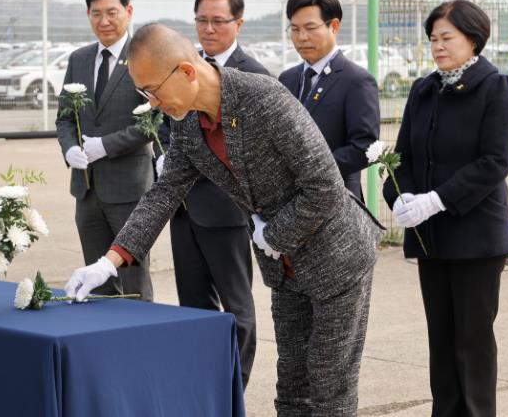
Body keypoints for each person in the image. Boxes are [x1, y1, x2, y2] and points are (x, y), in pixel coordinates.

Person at [65, 23, 383, 416]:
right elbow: (164, 193)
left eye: (153, 91)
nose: (153, 104)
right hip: (285, 266)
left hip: (335, 255)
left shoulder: (262, 98)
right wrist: (108, 262)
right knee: (292, 384)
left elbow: (325, 187)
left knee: (329, 385)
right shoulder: (188, 121)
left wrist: (275, 234)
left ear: (185, 71)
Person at [383, 0, 508, 417]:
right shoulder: (424, 90)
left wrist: (437, 199)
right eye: (432, 39)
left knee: (472, 342)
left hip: (476, 238)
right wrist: (400, 196)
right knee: (441, 340)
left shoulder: (496, 87)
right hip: (433, 239)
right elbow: (403, 157)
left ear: (473, 39)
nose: (438, 46)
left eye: (447, 38)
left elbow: (495, 162)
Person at [154, 0, 269, 388]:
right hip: (184, 209)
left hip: (225, 210)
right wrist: (163, 156)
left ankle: (234, 388)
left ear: (238, 23)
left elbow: (252, 152)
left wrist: (188, 164)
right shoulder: (183, 68)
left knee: (237, 309)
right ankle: (202, 388)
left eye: (218, 20)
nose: (208, 28)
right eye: (201, 20)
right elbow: (167, 122)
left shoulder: (253, 76)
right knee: (193, 308)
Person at [55, 0, 154, 301]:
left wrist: (106, 145)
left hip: (129, 190)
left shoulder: (144, 57)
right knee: (95, 284)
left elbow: (154, 122)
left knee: (134, 282)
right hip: (87, 190)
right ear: (88, 15)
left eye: (112, 12)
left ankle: (142, 332)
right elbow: (65, 117)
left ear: (128, 11)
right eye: (96, 14)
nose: (104, 21)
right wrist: (69, 147)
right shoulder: (79, 59)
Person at [278, 0, 380, 200]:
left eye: (310, 28)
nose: (302, 37)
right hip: (288, 201)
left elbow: (365, 146)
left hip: (336, 199)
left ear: (334, 26)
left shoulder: (356, 80)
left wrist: (312, 170)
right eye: (294, 29)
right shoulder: (287, 79)